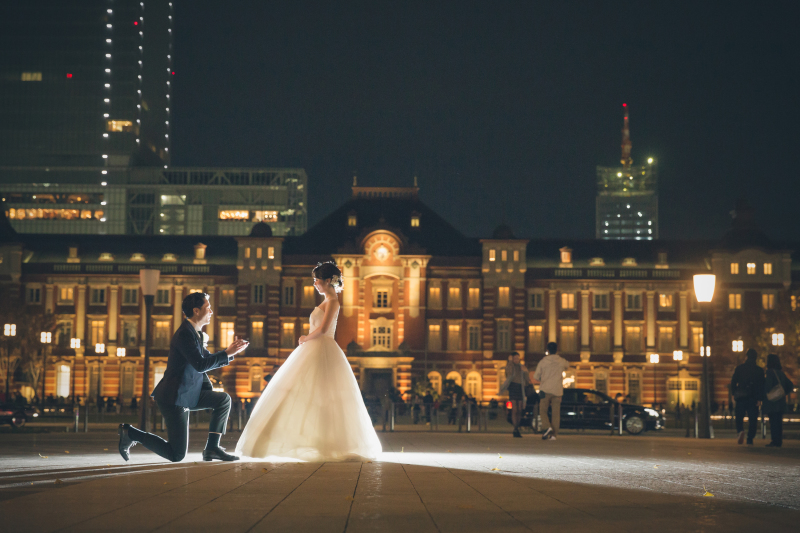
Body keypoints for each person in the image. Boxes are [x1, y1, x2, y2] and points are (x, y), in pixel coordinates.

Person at [235, 261, 381, 461]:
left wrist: (305, 338)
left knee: (322, 396)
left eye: (317, 280)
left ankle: (324, 442)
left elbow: (323, 329)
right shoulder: (326, 301)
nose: (315, 284)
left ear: (328, 281)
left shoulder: (333, 302)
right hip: (315, 348)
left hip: (322, 347)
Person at [117, 292, 249, 462]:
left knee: (223, 400)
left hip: (189, 393)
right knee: (176, 454)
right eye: (208, 308)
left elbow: (206, 360)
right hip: (174, 397)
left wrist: (230, 354)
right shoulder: (184, 334)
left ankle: (212, 448)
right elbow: (200, 364)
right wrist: (226, 353)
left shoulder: (194, 333)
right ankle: (130, 433)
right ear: (196, 311)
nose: (211, 312)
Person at [532, 342, 570, 441]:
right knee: (555, 413)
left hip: (545, 389)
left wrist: (544, 378)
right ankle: (554, 435)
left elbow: (535, 376)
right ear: (557, 350)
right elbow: (567, 365)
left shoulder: (543, 362)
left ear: (547, 350)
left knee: (543, 410)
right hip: (557, 390)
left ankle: (547, 427)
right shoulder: (561, 361)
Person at [730, 348, 765, 445]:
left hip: (741, 396)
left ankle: (740, 430)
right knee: (753, 419)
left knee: (739, 416)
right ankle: (750, 438)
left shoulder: (740, 368)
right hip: (753, 398)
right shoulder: (759, 370)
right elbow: (761, 385)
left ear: (746, 357)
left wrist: (734, 393)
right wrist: (759, 399)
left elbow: (733, 382)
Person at [762, 354, 794, 448]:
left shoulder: (770, 372)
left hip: (772, 403)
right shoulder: (781, 373)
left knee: (773, 422)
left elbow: (767, 387)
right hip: (781, 402)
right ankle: (778, 441)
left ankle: (774, 441)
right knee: (779, 423)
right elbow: (790, 385)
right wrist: (783, 392)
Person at [500, 352, 531, 438]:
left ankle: (517, 428)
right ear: (512, 359)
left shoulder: (522, 366)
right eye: (515, 358)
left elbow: (527, 380)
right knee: (515, 409)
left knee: (520, 409)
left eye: (518, 358)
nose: (517, 360)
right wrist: (510, 362)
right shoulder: (510, 366)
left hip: (521, 388)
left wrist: (526, 371)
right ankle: (515, 429)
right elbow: (508, 374)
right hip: (513, 387)